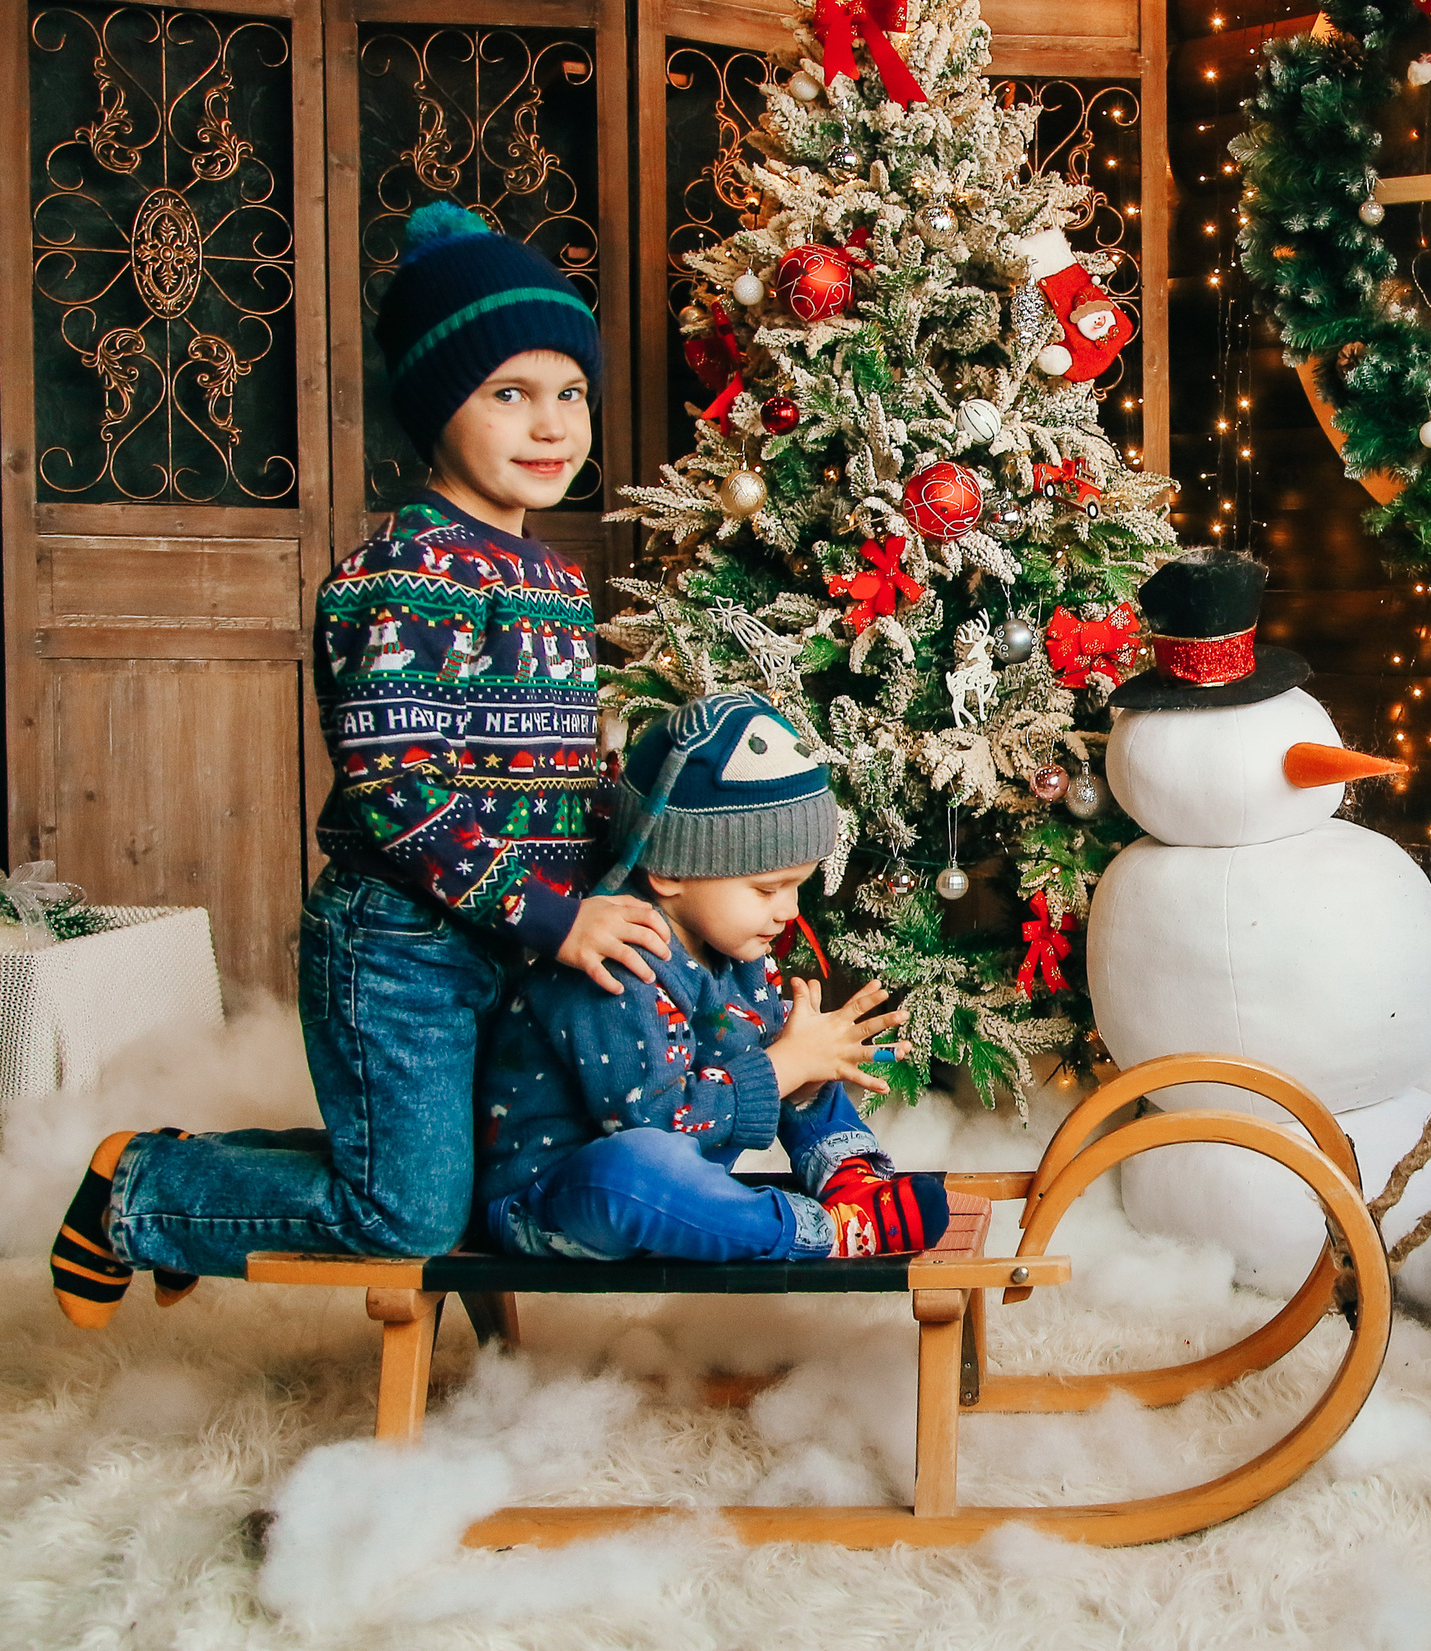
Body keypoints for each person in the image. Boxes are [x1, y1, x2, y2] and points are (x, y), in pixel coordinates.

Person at [52, 203, 670, 1327]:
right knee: (407, 1217)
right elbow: (401, 791)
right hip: (402, 947)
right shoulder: (403, 571)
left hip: (509, 934)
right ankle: (142, 1188)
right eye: (509, 394)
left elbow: (547, 767)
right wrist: (554, 916)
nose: (551, 424)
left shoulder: (549, 577)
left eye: (569, 392)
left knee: (476, 1169)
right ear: (438, 405)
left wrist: (630, 816)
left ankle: (462, 1319)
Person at [476, 692, 946, 1262]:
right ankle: (813, 1232)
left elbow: (780, 1067)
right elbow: (654, 1122)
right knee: (639, 1168)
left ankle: (852, 1182)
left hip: (679, 1173)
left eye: (798, 885)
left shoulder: (737, 948)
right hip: (562, 1196)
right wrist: (784, 1065)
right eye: (768, 888)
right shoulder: (618, 959)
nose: (789, 911)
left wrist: (806, 1056)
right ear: (671, 870)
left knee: (798, 1044)